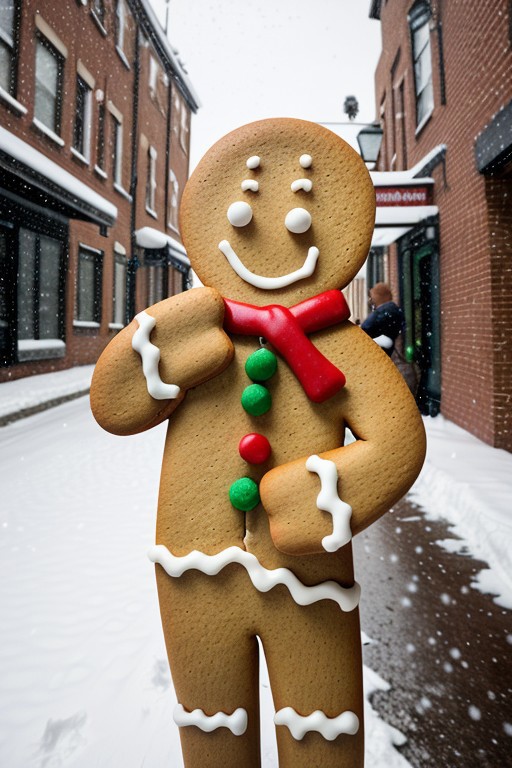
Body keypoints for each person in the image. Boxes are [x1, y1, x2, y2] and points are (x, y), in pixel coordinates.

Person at [361, 282, 404, 357]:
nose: (372, 300)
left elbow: (366, 327)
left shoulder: (383, 310)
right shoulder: (392, 309)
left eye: (373, 296)